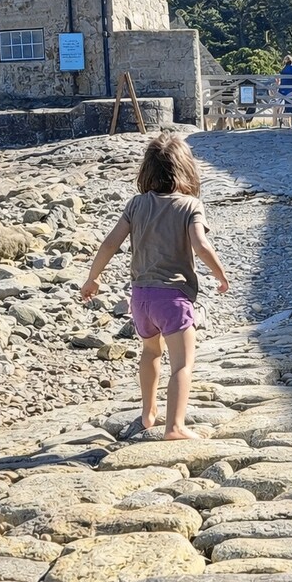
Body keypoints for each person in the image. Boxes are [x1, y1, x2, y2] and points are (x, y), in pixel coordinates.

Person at [81, 133, 228, 440]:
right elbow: (200, 245)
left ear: (146, 172)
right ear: (187, 170)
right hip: (172, 299)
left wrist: (93, 277)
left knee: (150, 352)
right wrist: (220, 274)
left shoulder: (136, 205)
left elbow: (110, 244)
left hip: (140, 298)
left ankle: (148, 414)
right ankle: (175, 427)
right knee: (182, 364)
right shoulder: (190, 205)